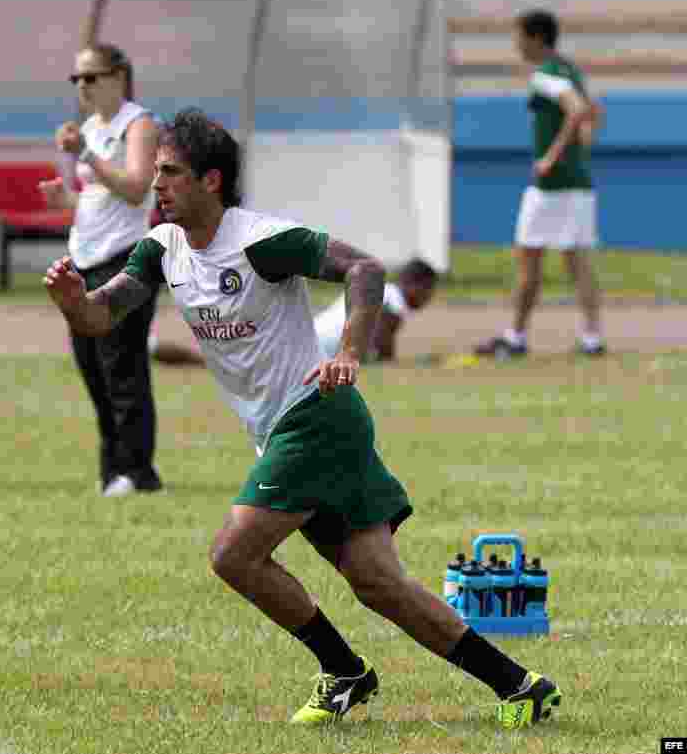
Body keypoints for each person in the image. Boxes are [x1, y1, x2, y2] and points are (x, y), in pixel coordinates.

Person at [45, 108, 561, 729]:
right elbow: (102, 315)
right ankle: (519, 686)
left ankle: (344, 671)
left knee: (233, 556)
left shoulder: (260, 239)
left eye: (170, 172)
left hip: (314, 417)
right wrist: (74, 304)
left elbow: (366, 269)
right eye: (155, 172)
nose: (157, 185)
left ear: (211, 180)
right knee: (378, 583)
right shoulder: (161, 248)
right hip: (297, 428)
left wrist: (349, 351)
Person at [39, 0, 163, 498]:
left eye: (91, 77)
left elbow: (136, 190)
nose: (82, 86)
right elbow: (98, 197)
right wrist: (64, 201)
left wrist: (87, 154)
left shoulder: (140, 125)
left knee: (123, 367)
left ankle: (136, 471)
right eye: (76, 78)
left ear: (119, 78)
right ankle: (112, 467)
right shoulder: (93, 127)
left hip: (124, 261)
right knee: (91, 366)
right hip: (84, 257)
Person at [476, 9, 605, 359]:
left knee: (527, 258)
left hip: (551, 187)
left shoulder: (545, 75)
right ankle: (593, 339)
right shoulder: (571, 70)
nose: (515, 43)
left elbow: (578, 110)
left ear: (534, 37)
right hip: (578, 184)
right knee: (578, 263)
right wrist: (578, 149)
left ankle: (515, 337)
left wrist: (549, 156)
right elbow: (592, 116)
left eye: (518, 36)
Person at [149, 258, 438, 367]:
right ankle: (150, 346)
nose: (428, 299)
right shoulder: (394, 298)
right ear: (415, 284)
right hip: (310, 346)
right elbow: (383, 348)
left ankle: (151, 347)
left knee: (225, 361)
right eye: (428, 291)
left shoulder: (383, 290)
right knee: (221, 362)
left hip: (306, 337)